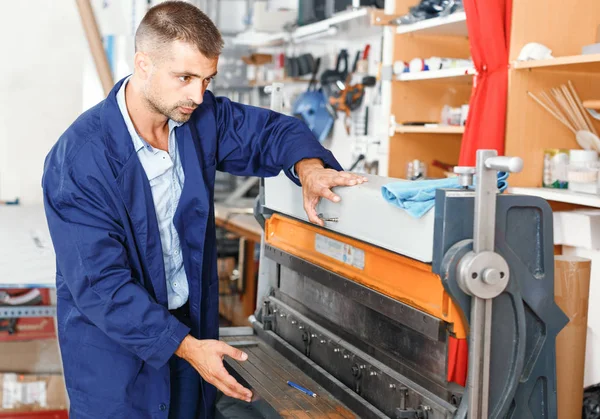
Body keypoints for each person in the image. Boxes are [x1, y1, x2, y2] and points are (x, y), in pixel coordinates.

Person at [42, 1, 367, 418]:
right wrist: (187, 347)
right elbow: (101, 286)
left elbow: (272, 133)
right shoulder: (80, 159)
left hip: (192, 332)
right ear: (143, 65)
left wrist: (309, 168)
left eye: (207, 79)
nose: (197, 95)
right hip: (117, 358)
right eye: (185, 78)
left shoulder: (199, 118)